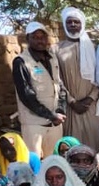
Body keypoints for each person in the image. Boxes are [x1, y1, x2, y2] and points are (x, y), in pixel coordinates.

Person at [12, 22, 66, 156]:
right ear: (28, 39)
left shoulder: (52, 58)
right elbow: (26, 96)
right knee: (34, 162)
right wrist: (51, 115)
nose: (39, 41)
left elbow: (59, 86)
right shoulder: (21, 62)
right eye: (35, 37)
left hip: (54, 123)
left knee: (54, 160)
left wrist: (60, 111)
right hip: (33, 124)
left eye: (42, 37)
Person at [56, 7, 99, 150]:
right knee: (72, 145)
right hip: (70, 106)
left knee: (94, 143)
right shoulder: (56, 49)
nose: (73, 24)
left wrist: (90, 99)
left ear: (82, 24)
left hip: (91, 105)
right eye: (69, 22)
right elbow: (57, 79)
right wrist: (71, 101)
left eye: (76, 22)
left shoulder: (94, 48)